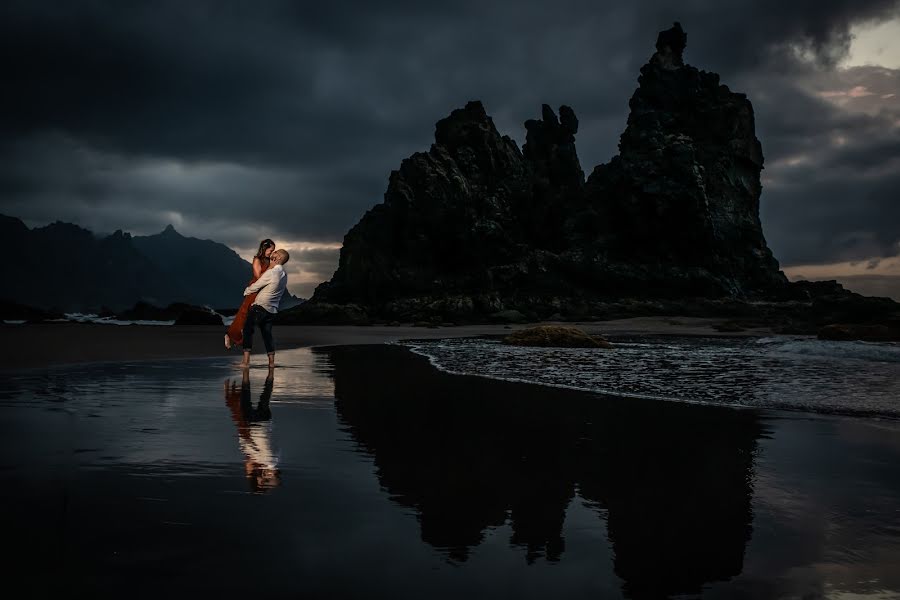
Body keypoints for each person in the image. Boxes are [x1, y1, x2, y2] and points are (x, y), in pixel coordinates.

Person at [223, 367, 280, 494]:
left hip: (266, 421)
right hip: (254, 424)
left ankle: (269, 375)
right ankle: (246, 375)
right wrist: (260, 477)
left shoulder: (276, 458)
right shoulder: (267, 461)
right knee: (246, 396)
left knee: (265, 394)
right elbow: (249, 456)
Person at [239, 248, 290, 369]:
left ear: (277, 258)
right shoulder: (284, 274)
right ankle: (271, 363)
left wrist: (246, 291)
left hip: (260, 307)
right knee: (267, 335)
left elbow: (256, 286)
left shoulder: (271, 273)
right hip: (272, 311)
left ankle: (246, 362)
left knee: (247, 330)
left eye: (275, 253)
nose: (272, 253)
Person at [225, 239, 275, 350]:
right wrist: (271, 267)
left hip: (265, 289)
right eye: (270, 250)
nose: (271, 252)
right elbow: (258, 276)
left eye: (273, 251)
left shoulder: (271, 261)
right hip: (256, 288)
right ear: (264, 248)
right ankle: (229, 335)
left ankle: (239, 337)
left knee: (251, 316)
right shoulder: (257, 259)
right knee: (244, 312)